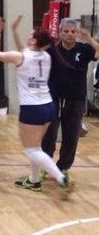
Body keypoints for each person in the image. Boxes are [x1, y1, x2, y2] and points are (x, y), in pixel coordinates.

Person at [0, 13, 73, 198]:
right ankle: (34, 181)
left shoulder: (21, 56)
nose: (28, 35)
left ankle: (60, 178)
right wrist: (14, 30)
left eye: (30, 34)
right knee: (36, 146)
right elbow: (24, 51)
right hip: (48, 106)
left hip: (32, 109)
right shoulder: (46, 56)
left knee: (30, 149)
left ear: (34, 40)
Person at [39, 18, 99, 178]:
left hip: (76, 99)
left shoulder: (84, 49)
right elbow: (35, 53)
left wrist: (89, 38)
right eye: (66, 31)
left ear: (77, 33)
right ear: (60, 33)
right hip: (53, 98)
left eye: (73, 31)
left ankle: (63, 167)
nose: (70, 34)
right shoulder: (52, 50)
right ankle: (46, 165)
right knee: (49, 134)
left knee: (71, 135)